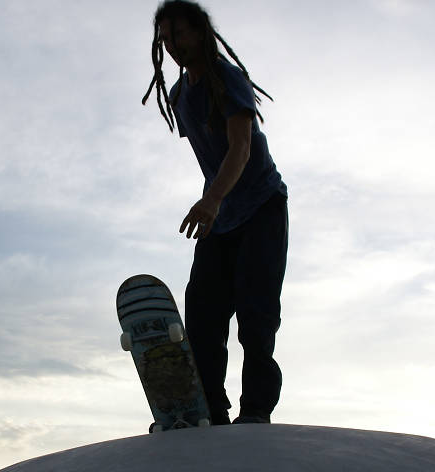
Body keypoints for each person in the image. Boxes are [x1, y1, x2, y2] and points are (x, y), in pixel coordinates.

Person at [142, 0, 289, 426]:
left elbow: (240, 147)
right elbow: (209, 153)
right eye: (165, 39)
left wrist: (212, 199)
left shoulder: (228, 78)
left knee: (255, 314)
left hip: (261, 206)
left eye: (180, 35)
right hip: (220, 216)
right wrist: (214, 203)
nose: (172, 46)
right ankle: (208, 407)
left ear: (201, 33)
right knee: (203, 312)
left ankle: (256, 411)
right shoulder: (179, 95)